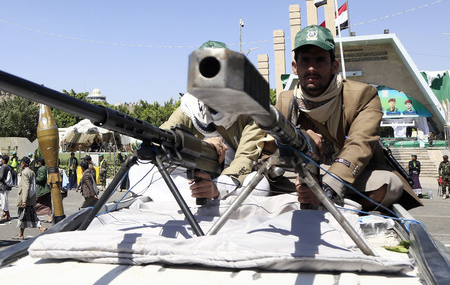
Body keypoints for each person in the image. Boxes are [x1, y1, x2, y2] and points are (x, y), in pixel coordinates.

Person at [278, 25, 406, 209]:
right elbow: (269, 148)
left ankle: (331, 202)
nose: (312, 68)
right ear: (295, 67)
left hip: (346, 174)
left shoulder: (363, 95)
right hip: (301, 172)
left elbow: (360, 144)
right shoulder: (285, 101)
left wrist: (327, 187)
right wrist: (301, 139)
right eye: (305, 60)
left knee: (389, 184)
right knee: (262, 181)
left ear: (334, 66)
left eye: (320, 60)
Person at [161, 41, 272, 202]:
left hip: (231, 179)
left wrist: (217, 188)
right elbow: (162, 138)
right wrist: (201, 146)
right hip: (196, 177)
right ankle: (198, 199)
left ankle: (202, 200)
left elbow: (246, 158)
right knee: (141, 170)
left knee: (259, 184)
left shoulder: (252, 109)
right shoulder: (189, 107)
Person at [15, 157, 41, 239]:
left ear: (23, 163)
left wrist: (24, 200)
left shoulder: (25, 173)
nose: (20, 164)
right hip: (31, 196)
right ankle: (20, 234)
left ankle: (41, 228)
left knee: (24, 215)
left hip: (25, 197)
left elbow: (25, 187)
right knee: (25, 216)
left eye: (21, 162)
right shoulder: (31, 172)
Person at [0, 155, 14, 221]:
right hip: (6, 186)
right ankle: (7, 215)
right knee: (4, 200)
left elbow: (1, 177)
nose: (1, 160)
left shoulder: (3, 167)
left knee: (3, 200)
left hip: (3, 186)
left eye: (2, 159)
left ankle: (5, 214)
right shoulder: (8, 167)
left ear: (4, 160)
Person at [34, 157, 52, 223]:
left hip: (42, 189)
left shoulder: (41, 169)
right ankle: (49, 218)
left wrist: (34, 179)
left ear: (40, 162)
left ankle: (33, 216)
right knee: (47, 204)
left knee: (36, 202)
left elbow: (41, 178)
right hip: (47, 189)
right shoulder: (46, 168)